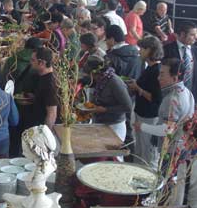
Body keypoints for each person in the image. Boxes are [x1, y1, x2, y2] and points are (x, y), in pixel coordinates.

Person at [134, 58, 195, 168]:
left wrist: (142, 126)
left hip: (172, 150)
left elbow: (167, 130)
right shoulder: (187, 92)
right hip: (182, 147)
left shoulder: (172, 99)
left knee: (164, 179)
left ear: (175, 78)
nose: (158, 78)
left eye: (162, 74)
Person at [127, 36, 163, 164]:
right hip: (141, 113)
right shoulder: (149, 67)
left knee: (148, 153)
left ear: (150, 50)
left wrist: (138, 88)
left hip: (149, 116)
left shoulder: (157, 71)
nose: (139, 51)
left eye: (142, 48)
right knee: (140, 150)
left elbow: (155, 97)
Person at [82, 56, 133, 141]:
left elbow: (128, 107)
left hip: (114, 126)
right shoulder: (100, 79)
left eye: (91, 75)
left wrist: (105, 109)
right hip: (100, 122)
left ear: (96, 73)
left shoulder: (115, 82)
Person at [163, 21, 197, 100]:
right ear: (182, 34)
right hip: (171, 96)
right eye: (192, 35)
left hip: (192, 96)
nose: (196, 37)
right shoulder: (167, 50)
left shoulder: (195, 51)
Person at [29, 47, 59, 130]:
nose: (30, 62)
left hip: (43, 127)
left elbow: (52, 114)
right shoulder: (43, 76)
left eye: (33, 60)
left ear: (42, 63)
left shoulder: (49, 84)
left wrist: (43, 135)